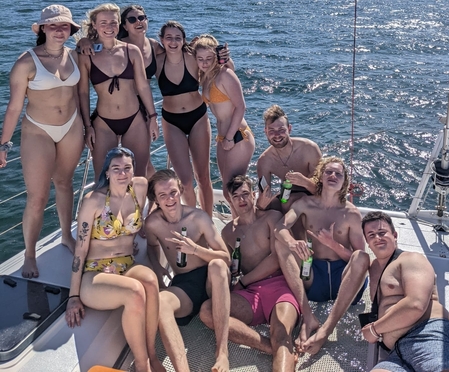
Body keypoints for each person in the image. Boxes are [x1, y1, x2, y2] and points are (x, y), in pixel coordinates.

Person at [0, 5, 85, 278]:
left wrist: (89, 126)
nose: (60, 31)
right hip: (38, 130)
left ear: (71, 31)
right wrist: (3, 145)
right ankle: (29, 254)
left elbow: (81, 96)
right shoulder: (26, 62)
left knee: (64, 184)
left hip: (72, 127)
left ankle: (66, 236)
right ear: (43, 29)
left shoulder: (76, 57)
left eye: (65, 27)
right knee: (37, 198)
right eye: (53, 26)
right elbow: (14, 108)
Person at [65, 147, 164, 372]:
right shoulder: (94, 200)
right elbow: (80, 249)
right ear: (107, 173)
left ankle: (152, 353)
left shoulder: (139, 187)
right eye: (116, 169)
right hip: (95, 272)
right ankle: (142, 364)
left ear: (133, 170)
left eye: (127, 168)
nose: (122, 173)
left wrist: (147, 226)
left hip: (126, 263)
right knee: (135, 292)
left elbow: (163, 192)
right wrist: (73, 296)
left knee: (149, 280)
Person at [200, 175, 300, 372]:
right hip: (251, 294)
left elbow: (276, 259)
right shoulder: (228, 232)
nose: (241, 200)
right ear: (230, 200)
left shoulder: (271, 218)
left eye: (245, 194)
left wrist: (244, 282)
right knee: (207, 311)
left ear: (254, 195)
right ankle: (268, 346)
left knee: (280, 334)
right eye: (235, 196)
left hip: (280, 286)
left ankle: (279, 344)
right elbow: (229, 266)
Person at [274, 156, 370, 355]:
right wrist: (292, 242)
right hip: (313, 275)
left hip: (343, 280)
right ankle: (308, 317)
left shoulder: (351, 213)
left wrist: (332, 244)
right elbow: (280, 227)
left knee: (361, 257)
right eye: (328, 172)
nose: (333, 175)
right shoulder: (305, 204)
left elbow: (359, 258)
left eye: (339, 174)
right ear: (320, 177)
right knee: (281, 243)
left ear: (345, 182)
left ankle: (326, 330)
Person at [361, 211, 449, 372]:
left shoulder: (411, 259)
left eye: (382, 233)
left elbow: (415, 304)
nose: (377, 238)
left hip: (428, 335)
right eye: (371, 235)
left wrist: (374, 329)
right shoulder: (373, 269)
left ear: (394, 235)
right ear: (367, 241)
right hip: (396, 354)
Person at [145, 169, 231, 372]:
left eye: (173, 192)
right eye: (163, 195)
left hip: (211, 278)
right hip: (185, 284)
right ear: (156, 199)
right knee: (161, 302)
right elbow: (151, 246)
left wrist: (195, 249)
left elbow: (226, 258)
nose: (170, 199)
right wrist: (157, 266)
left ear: (181, 190)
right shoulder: (153, 224)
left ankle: (222, 353)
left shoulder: (198, 218)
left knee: (217, 265)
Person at [78, 3, 159, 180]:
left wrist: (153, 117)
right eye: (103, 22)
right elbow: (83, 94)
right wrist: (87, 127)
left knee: (138, 177)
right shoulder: (85, 54)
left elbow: (144, 87)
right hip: (103, 123)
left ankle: (137, 208)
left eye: (113, 22)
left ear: (119, 24)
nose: (109, 27)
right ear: (94, 25)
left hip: (135, 120)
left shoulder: (131, 51)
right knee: (103, 178)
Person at [156, 21, 213, 215]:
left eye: (177, 38)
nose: (173, 42)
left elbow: (217, 64)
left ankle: (207, 219)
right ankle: (193, 219)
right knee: (186, 181)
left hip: (197, 117)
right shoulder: (156, 60)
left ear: (184, 40)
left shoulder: (192, 57)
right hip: (172, 122)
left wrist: (224, 57)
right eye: (169, 37)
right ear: (161, 40)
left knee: (203, 177)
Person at [193, 35, 255, 200]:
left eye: (208, 58)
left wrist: (229, 138)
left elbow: (241, 106)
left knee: (235, 191)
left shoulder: (225, 75)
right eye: (200, 59)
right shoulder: (205, 78)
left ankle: (250, 224)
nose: (204, 63)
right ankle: (239, 223)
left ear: (216, 58)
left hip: (237, 135)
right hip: (223, 137)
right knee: (230, 192)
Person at [257, 105, 322, 211]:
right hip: (286, 196)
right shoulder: (264, 161)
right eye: (271, 130)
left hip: (312, 196)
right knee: (264, 211)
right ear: (266, 132)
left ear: (289, 129)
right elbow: (262, 200)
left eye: (281, 130)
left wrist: (304, 182)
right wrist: (262, 203)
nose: (277, 135)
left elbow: (322, 192)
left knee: (294, 202)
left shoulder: (309, 149)